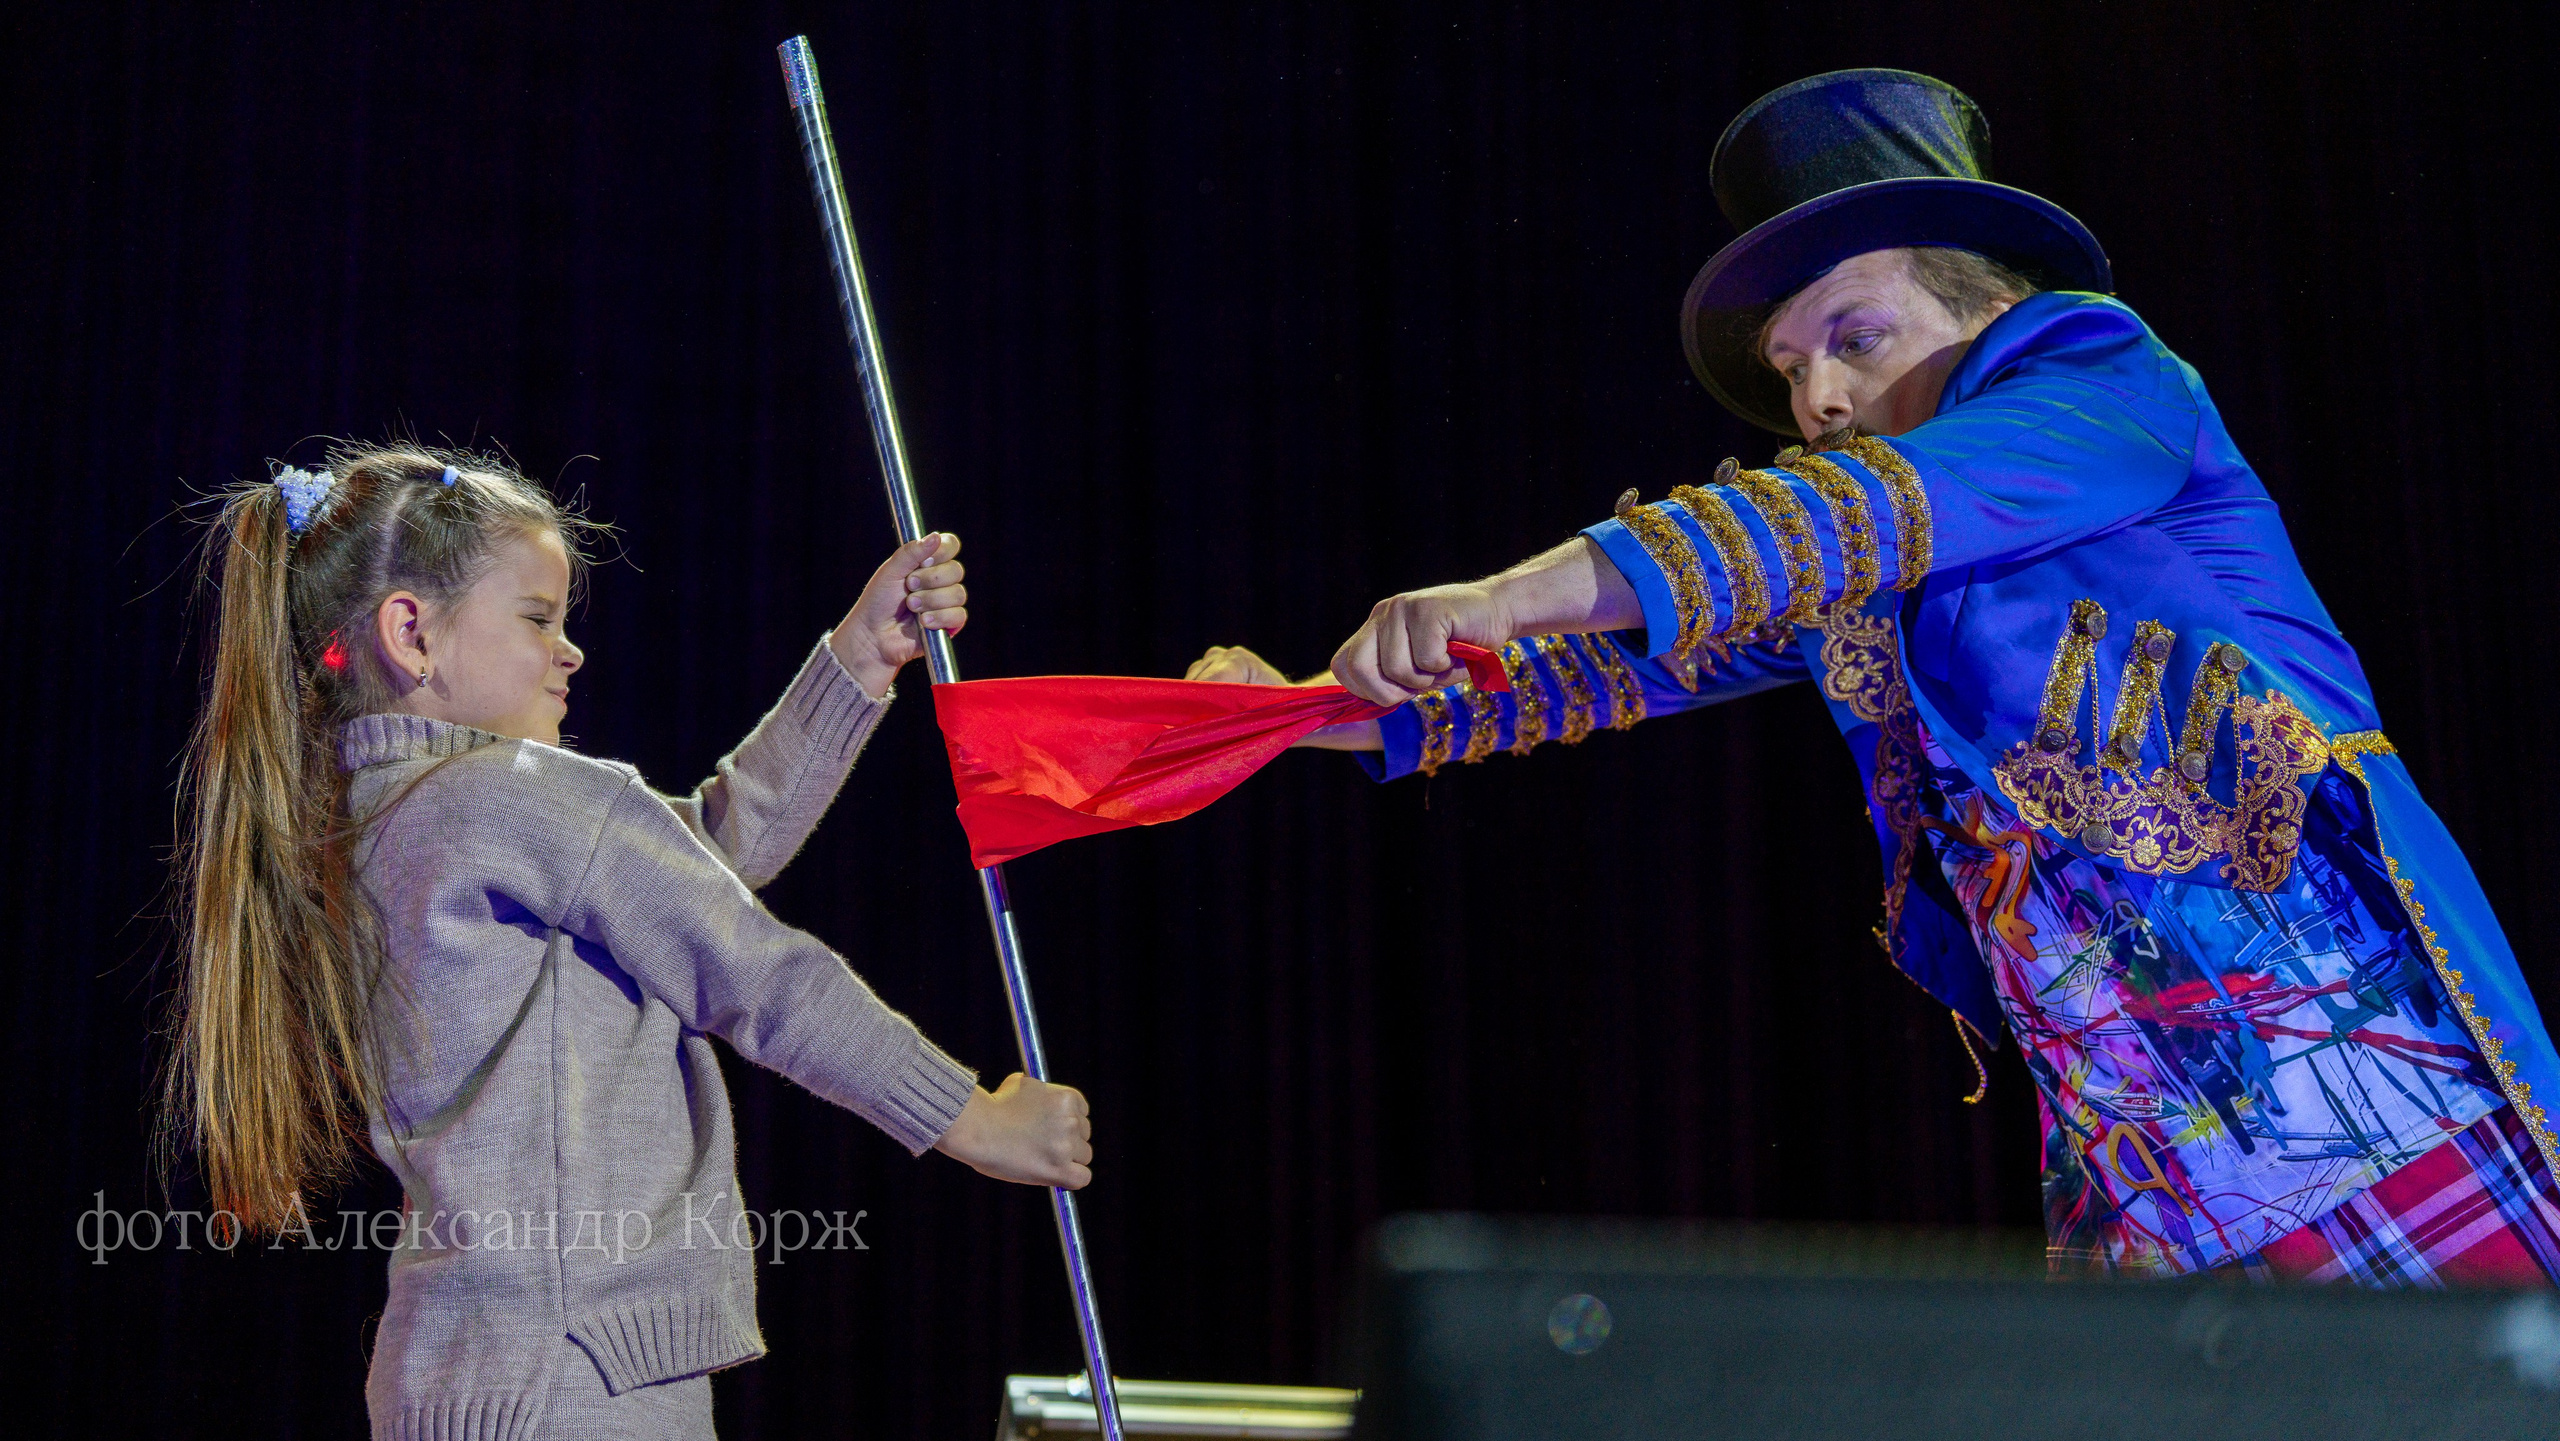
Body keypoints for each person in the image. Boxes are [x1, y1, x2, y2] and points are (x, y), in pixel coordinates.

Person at [1192, 70, 2560, 1285]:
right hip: (2141, 1160)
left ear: (1994, 308)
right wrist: (1314, 711)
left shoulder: (2099, 372)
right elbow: (1621, 659)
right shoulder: (1862, 574)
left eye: (1854, 337)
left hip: (2369, 1087)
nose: (1817, 402)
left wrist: (1495, 588)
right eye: (1792, 370)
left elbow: (1829, 518)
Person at [166, 443, 1093, 1438]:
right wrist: (972, 1118)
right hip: (577, 1377)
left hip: (463, 1376)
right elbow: (752, 967)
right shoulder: (518, 796)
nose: (570, 651)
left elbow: (695, 861)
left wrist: (860, 659)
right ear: (411, 632)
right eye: (535, 618)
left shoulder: (369, 820)